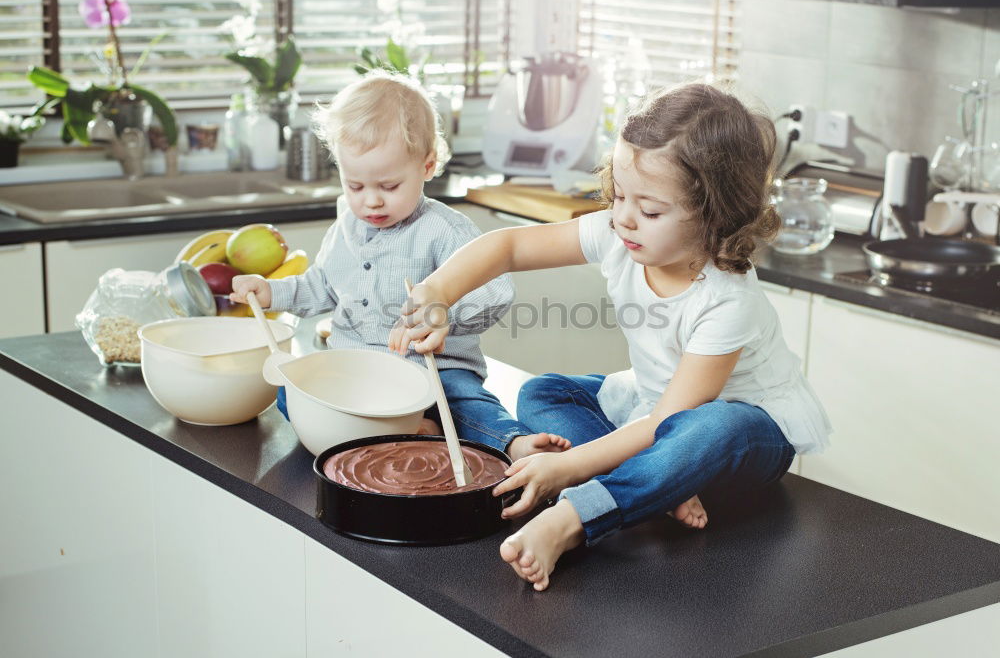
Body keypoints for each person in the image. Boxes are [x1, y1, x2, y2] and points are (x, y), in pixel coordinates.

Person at [391, 83, 832, 591]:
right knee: (545, 392)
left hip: (744, 432)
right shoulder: (620, 234)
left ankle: (576, 519)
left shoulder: (727, 300)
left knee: (712, 425)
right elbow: (509, 247)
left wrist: (568, 470)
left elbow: (673, 418)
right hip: (654, 410)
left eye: (649, 210)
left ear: (716, 213)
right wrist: (437, 292)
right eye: (620, 194)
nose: (624, 217)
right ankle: (657, 482)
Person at [230, 70, 570, 461]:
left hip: (431, 373)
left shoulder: (444, 229)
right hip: (356, 371)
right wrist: (271, 291)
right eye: (354, 186)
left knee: (466, 403)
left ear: (426, 167)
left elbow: (496, 291)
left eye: (388, 187)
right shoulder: (346, 226)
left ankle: (510, 443)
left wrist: (443, 315)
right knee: (292, 394)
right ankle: (411, 432)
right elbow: (321, 285)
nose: (370, 201)